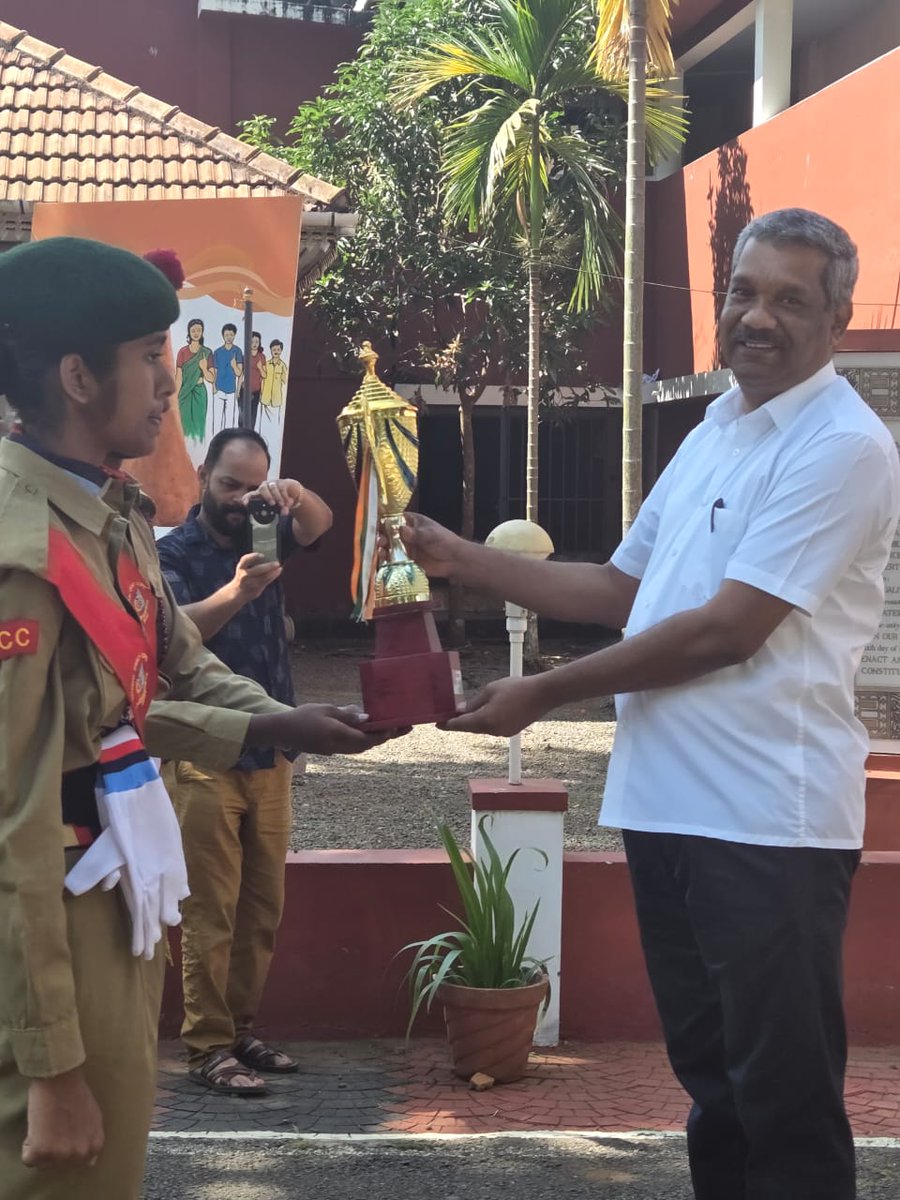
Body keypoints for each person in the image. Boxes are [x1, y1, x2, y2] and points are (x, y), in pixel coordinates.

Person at [403, 209, 900, 1200]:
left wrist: (540, 693)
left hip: (769, 821)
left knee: (783, 1102)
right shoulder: (716, 430)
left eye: (790, 300)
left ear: (838, 320)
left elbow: (726, 630)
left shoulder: (843, 446)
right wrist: (464, 558)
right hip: (667, 807)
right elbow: (624, 590)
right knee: (714, 1090)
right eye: (743, 293)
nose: (757, 318)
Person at [0, 236, 397, 1199]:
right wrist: (51, 1065)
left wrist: (290, 725)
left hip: (113, 899)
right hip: (48, 925)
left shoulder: (111, 514)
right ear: (77, 375)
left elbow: (168, 670)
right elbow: (10, 827)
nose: (171, 376)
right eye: (151, 355)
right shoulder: (22, 555)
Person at [157, 428, 332, 1095]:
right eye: (229, 485)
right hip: (204, 748)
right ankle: (206, 1047)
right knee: (211, 909)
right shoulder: (172, 552)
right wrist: (238, 593)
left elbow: (319, 524)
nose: (238, 500)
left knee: (262, 906)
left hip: (273, 746)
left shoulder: (264, 529)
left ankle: (240, 1029)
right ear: (204, 475)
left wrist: (294, 494)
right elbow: (170, 636)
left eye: (251, 487)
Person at [174, 318, 214, 443]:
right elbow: (178, 377)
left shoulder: (207, 352)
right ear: (189, 332)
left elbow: (211, 379)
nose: (196, 333)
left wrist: (204, 368)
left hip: (199, 392)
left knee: (198, 427)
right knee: (183, 427)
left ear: (202, 332)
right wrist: (174, 397)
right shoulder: (182, 352)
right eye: (193, 330)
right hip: (184, 393)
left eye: (199, 330)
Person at [210, 323, 244, 431]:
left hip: (231, 391)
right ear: (223, 336)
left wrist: (234, 366)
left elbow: (240, 373)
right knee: (217, 420)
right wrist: (214, 387)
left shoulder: (237, 351)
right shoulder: (217, 352)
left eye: (231, 335)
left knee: (230, 421)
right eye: (227, 335)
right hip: (219, 389)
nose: (229, 337)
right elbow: (215, 371)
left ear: (234, 335)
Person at [260, 338, 287, 416]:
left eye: (278, 349)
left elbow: (285, 381)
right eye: (274, 349)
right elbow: (262, 380)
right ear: (271, 350)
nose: (276, 352)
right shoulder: (266, 364)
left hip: (276, 400)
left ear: (281, 351)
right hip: (265, 398)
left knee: (275, 422)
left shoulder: (283, 366)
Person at [247, 331, 267, 430]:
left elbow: (264, 375)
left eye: (256, 342)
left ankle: (251, 435)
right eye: (252, 341)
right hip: (244, 390)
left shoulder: (261, 356)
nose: (254, 344)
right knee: (242, 415)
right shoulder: (245, 354)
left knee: (253, 414)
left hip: (256, 390)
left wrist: (260, 367)